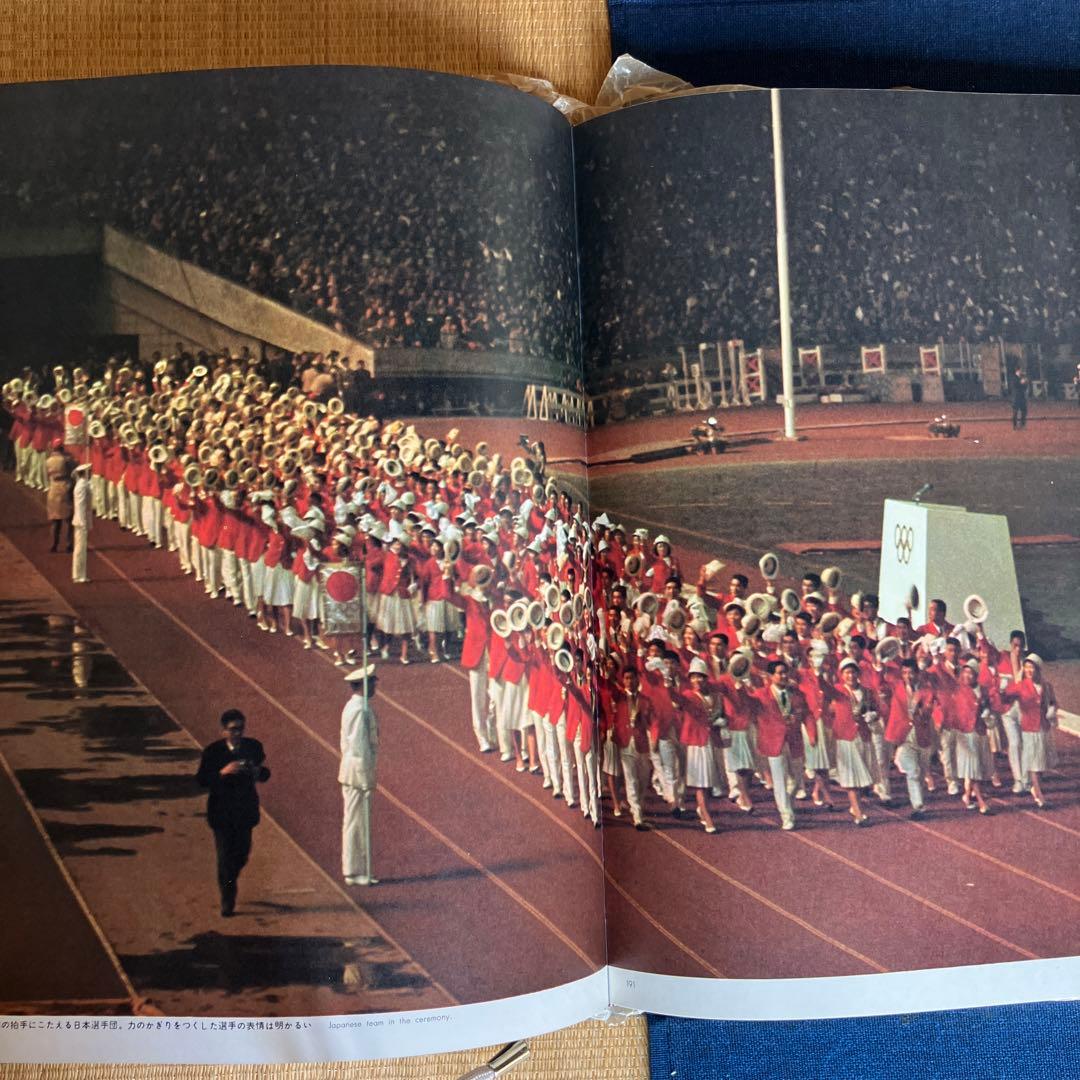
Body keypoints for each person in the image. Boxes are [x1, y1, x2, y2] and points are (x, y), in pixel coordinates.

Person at [196, 709, 271, 916]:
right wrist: (223, 772)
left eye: (240, 728)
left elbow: (265, 773)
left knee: (242, 855)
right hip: (221, 813)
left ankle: (231, 878)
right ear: (223, 731)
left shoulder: (253, 747)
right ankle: (227, 899)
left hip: (245, 812)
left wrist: (257, 772)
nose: (237, 733)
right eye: (233, 729)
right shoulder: (213, 752)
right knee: (224, 858)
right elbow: (201, 780)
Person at [340, 665, 379, 886]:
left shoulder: (357, 707)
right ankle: (353, 871)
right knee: (356, 822)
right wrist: (365, 777)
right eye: (372, 682)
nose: (375, 686)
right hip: (357, 773)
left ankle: (357, 868)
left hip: (354, 770)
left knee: (357, 821)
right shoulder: (358, 710)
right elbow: (358, 746)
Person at [45, 437, 75, 552]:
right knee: (68, 520)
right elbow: (73, 470)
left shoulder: (48, 461)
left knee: (55, 521)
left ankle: (54, 544)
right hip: (64, 487)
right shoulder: (66, 460)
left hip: (53, 488)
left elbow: (47, 474)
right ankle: (68, 544)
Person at [70, 461, 93, 583]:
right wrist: (84, 522)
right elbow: (81, 505)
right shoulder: (82, 486)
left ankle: (80, 574)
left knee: (81, 548)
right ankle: (78, 575)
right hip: (81, 520)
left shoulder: (82, 484)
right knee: (80, 549)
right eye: (89, 472)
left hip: (81, 520)